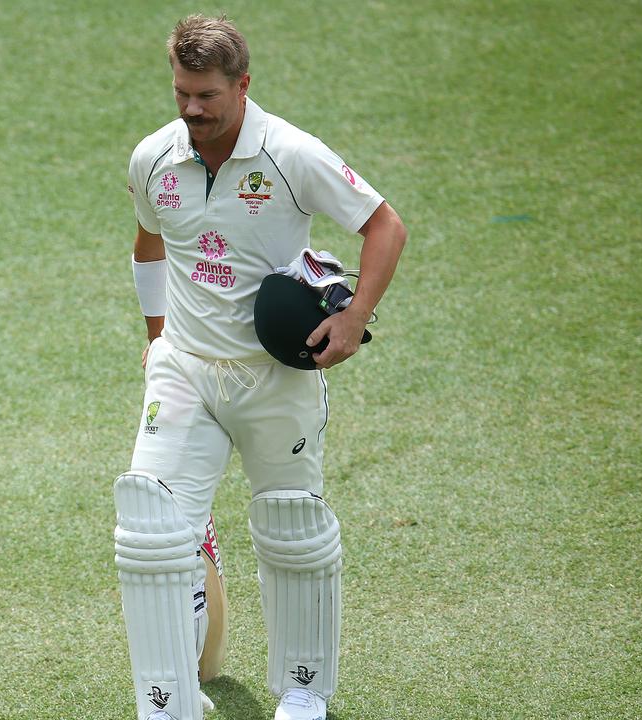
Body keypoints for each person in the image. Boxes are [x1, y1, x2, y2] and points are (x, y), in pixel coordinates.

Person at [113, 14, 407, 720]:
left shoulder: (290, 154)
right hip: (185, 370)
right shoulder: (155, 157)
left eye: (206, 96)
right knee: (150, 531)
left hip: (275, 379)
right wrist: (158, 335)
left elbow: (384, 225)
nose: (190, 110)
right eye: (181, 93)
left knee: (290, 528)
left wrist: (355, 315)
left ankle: (303, 692)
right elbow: (149, 242)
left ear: (242, 87)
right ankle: (166, 702)